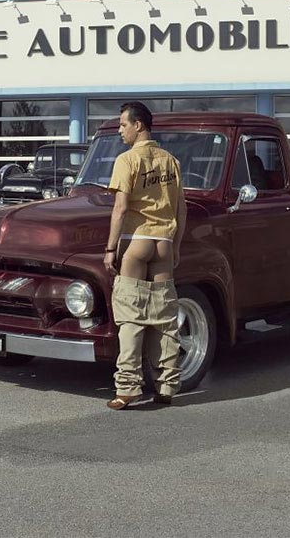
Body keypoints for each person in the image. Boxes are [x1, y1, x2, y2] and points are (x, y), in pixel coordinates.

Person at [103, 101, 187, 410]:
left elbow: (121, 208)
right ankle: (166, 385)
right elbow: (181, 207)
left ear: (139, 125)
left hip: (136, 242)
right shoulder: (170, 161)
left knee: (131, 317)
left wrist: (110, 248)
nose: (120, 130)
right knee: (164, 318)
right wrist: (176, 245)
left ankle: (128, 388)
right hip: (164, 241)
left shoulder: (127, 160)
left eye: (123, 124)